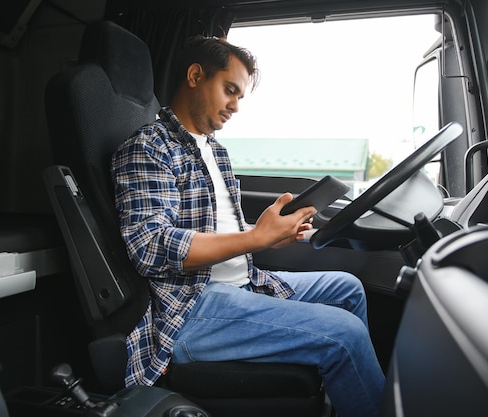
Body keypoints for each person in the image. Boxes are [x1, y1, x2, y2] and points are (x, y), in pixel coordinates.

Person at [111, 35, 385, 417]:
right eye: (230, 90)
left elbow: (222, 231)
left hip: (245, 283)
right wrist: (254, 237)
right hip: (193, 305)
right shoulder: (150, 147)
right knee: (344, 333)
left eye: (240, 96)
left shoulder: (215, 150)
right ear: (194, 76)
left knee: (348, 288)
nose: (236, 106)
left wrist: (270, 236)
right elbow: (150, 246)